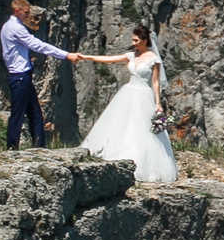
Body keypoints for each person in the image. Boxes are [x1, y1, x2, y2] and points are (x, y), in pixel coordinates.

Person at [72, 24, 178, 184]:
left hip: (143, 95)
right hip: (128, 92)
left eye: (136, 40)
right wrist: (86, 57)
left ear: (144, 41)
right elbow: (109, 59)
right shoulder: (131, 55)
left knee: (142, 130)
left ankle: (143, 166)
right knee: (122, 125)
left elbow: (155, 82)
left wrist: (158, 103)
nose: (133, 43)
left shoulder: (153, 59)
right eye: (133, 40)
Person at [0, 0, 71, 151]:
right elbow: (37, 45)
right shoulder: (16, 28)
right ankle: (12, 147)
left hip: (21, 75)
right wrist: (65, 55)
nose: (28, 15)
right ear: (17, 11)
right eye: (25, 12)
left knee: (35, 113)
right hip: (20, 76)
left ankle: (39, 146)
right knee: (18, 114)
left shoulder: (7, 26)